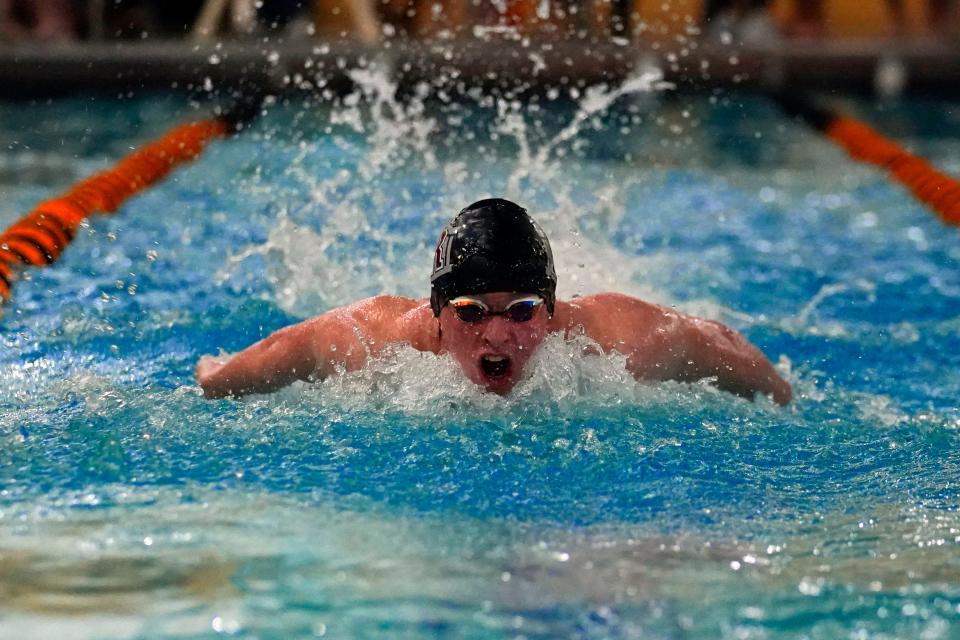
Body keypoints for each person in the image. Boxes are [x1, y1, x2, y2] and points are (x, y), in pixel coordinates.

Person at [196, 199, 792, 405]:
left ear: (553, 309)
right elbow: (278, 351)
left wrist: (785, 399)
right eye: (472, 312)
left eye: (524, 311)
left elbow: (719, 343)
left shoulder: (619, 341)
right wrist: (215, 377)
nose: (499, 337)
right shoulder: (370, 343)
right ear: (436, 310)